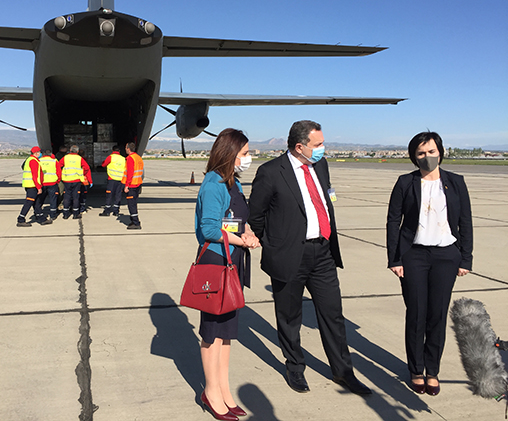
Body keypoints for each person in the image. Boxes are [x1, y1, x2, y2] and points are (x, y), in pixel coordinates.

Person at [248, 120, 371, 395]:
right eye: (317, 145)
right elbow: (255, 215)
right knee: (289, 317)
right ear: (300, 146)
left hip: (323, 253)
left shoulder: (321, 165)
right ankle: (295, 368)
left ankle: (343, 372)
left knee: (333, 314)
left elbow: (326, 199)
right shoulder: (271, 172)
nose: (322, 149)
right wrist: (274, 246)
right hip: (289, 255)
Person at [387, 131, 473, 396]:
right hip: (414, 256)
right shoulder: (405, 182)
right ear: (414, 156)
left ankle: (432, 371)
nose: (427, 157)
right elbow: (393, 221)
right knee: (416, 314)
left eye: (432, 152)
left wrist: (465, 257)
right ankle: (416, 369)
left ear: (441, 152)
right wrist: (395, 258)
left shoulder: (455, 182)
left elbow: (466, 221)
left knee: (437, 315)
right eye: (421, 153)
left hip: (446, 256)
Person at [195, 128, 260, 421]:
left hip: (233, 264)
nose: (248, 158)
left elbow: (238, 221)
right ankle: (210, 392)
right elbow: (209, 229)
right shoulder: (213, 184)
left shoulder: (234, 184)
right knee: (212, 333)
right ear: (229, 153)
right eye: (245, 153)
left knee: (227, 333)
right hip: (216, 264)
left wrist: (250, 234)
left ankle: (224, 389)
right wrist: (240, 240)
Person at [17, 146, 53, 227]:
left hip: (30, 185)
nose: (40, 154)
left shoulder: (30, 160)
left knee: (37, 203)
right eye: (39, 152)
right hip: (32, 186)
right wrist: (39, 187)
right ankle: (21, 219)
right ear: (36, 153)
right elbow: (35, 175)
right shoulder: (33, 161)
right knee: (29, 202)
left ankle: (41, 218)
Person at [59, 145, 92, 219]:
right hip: (76, 180)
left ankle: (65, 214)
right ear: (77, 151)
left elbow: (58, 165)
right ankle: (75, 213)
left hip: (67, 180)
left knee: (67, 196)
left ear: (70, 150)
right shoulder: (79, 158)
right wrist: (82, 173)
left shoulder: (65, 157)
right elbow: (87, 168)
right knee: (76, 197)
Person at [122, 142, 144, 230]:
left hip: (132, 185)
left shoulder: (130, 158)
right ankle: (133, 220)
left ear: (128, 149)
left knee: (131, 204)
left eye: (126, 148)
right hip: (138, 183)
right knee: (134, 203)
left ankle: (136, 222)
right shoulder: (138, 158)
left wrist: (126, 185)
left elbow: (130, 173)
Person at [99, 145, 125, 217]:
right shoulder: (123, 159)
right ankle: (116, 211)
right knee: (118, 195)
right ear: (119, 151)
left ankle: (107, 211)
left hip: (112, 179)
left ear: (112, 150)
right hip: (120, 179)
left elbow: (103, 164)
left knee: (109, 195)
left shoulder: (111, 157)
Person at [39, 149, 62, 220]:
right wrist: (58, 181)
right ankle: (53, 215)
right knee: (53, 199)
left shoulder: (39, 161)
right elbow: (59, 172)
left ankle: (38, 213)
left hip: (42, 183)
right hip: (52, 183)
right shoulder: (54, 161)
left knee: (40, 199)